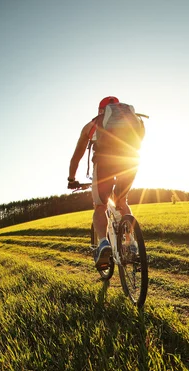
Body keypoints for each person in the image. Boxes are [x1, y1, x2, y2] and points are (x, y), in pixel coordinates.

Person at [67, 96, 145, 267]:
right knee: (121, 201)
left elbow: (77, 156)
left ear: (101, 111)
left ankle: (103, 244)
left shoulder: (93, 125)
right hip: (131, 161)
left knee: (100, 205)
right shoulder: (131, 120)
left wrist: (72, 179)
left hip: (105, 164)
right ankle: (131, 243)